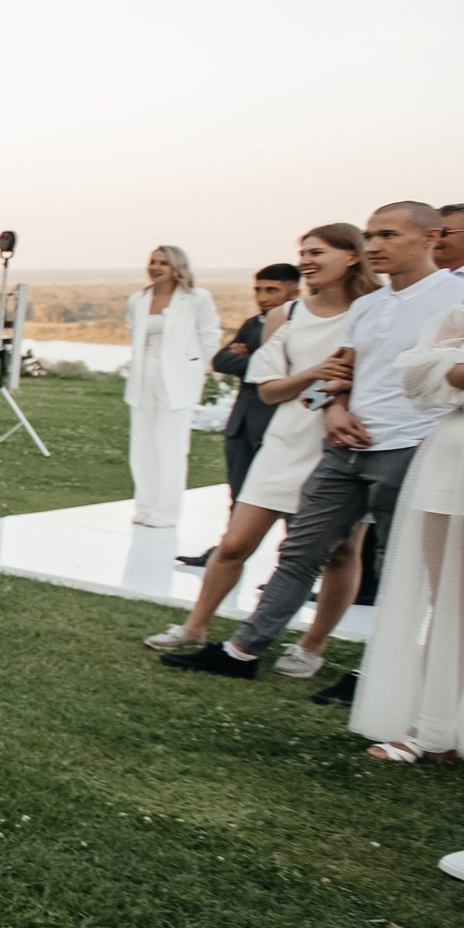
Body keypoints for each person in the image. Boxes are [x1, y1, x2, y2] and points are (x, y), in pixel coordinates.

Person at [163, 202, 464, 687]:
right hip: (343, 446)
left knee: (397, 566)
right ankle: (242, 651)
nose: (375, 246)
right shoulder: (369, 305)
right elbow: (342, 372)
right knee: (298, 554)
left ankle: (376, 673)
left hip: (412, 447)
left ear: (432, 237)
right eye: (370, 236)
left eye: (388, 235)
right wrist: (334, 408)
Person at [144, 227, 374, 662]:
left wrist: (324, 388)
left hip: (342, 441)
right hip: (286, 441)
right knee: (234, 543)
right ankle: (195, 627)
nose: (305, 260)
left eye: (317, 252)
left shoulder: (373, 311)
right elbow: (268, 389)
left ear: (351, 257)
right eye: (302, 252)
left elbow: (370, 379)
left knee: (342, 553)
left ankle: (312, 646)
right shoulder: (286, 315)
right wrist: (313, 375)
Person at [345, 289, 464, 764]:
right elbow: (418, 381)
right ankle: (433, 730)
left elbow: (446, 374)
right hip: (456, 460)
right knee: (452, 603)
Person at [177, 261, 302, 567]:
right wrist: (267, 365)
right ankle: (227, 552)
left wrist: (258, 362)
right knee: (239, 493)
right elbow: (221, 360)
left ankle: (291, 565)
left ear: (295, 290)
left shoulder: (303, 327)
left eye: (272, 289)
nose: (262, 296)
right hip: (242, 423)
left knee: (288, 500)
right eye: (258, 289)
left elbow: (294, 370)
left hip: (279, 423)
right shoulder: (253, 324)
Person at [123, 245, 222, 530]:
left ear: (177, 267)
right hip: (144, 377)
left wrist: (194, 371)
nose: (156, 267)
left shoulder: (196, 298)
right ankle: (145, 505)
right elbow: (134, 334)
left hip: (178, 379)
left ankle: (166, 512)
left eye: (163, 263)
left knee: (170, 446)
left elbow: (209, 337)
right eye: (152, 262)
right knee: (142, 445)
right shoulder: (138, 300)